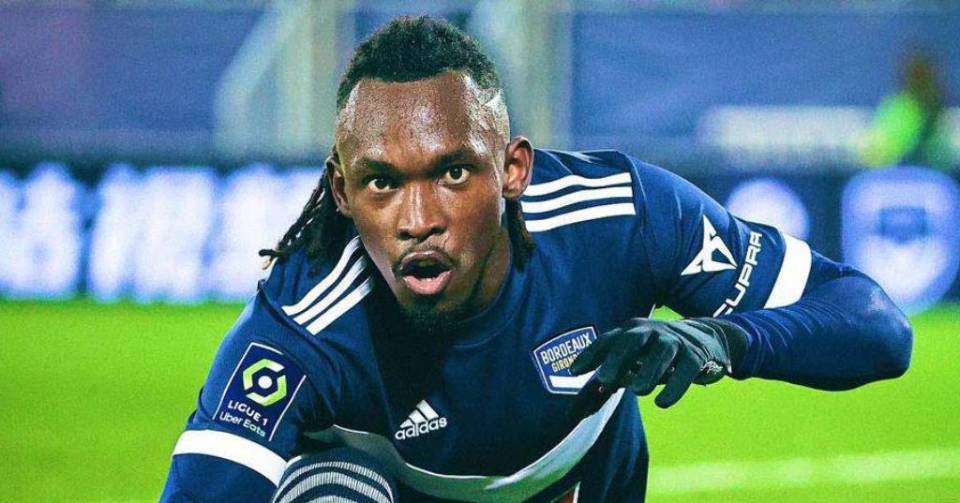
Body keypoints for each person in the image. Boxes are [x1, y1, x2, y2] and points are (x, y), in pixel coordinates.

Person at [160, 16, 912, 502]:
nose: (418, 220)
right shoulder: (301, 326)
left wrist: (725, 338)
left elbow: (877, 326)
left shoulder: (619, 220)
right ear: (342, 190)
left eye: (454, 172)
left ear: (513, 169)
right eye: (382, 182)